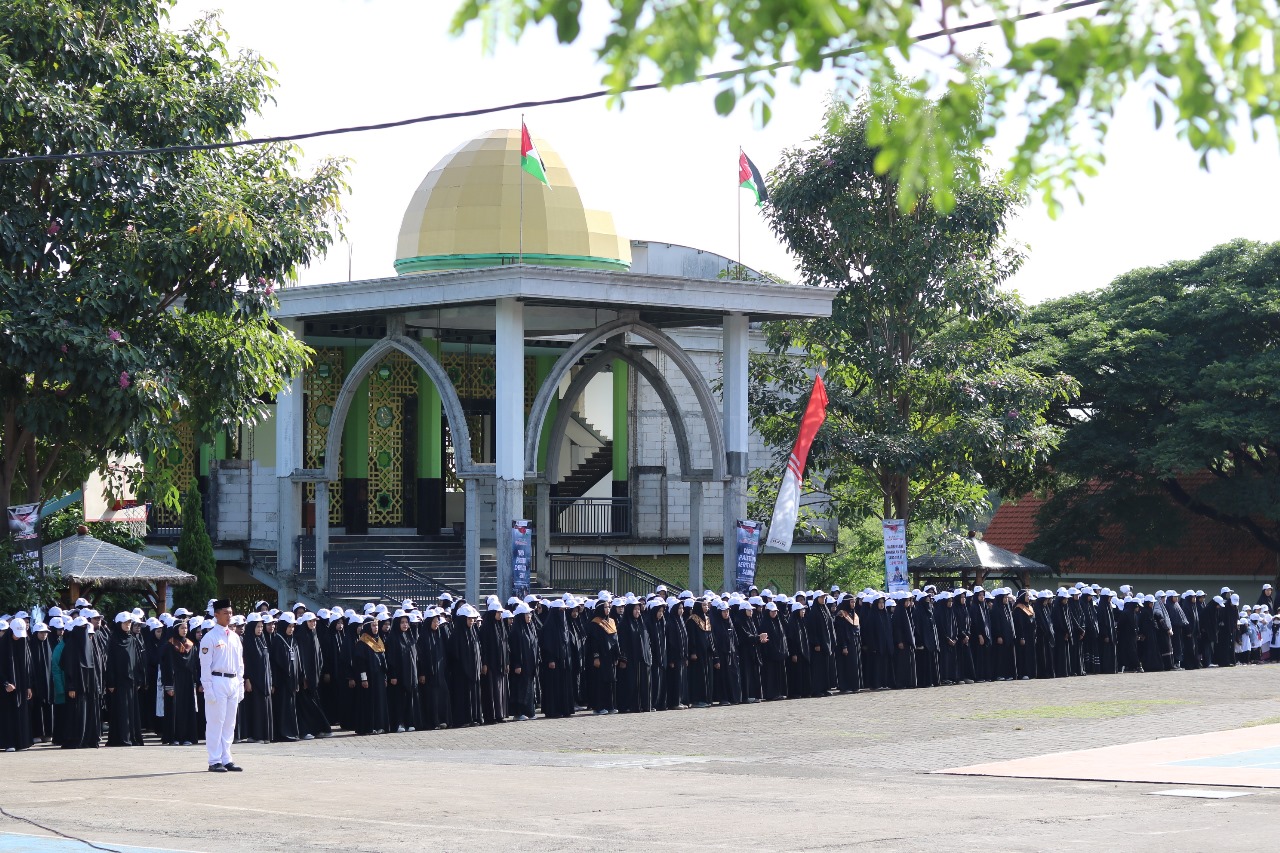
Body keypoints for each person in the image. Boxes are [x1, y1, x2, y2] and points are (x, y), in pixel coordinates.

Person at [199, 599, 244, 772]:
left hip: (232, 681)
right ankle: (214, 759)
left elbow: (240, 664)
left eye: (231, 613)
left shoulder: (234, 637)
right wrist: (208, 688)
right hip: (217, 680)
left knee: (229, 723)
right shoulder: (209, 637)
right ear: (216, 615)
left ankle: (227, 757)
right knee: (215, 722)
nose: (229, 616)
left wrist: (240, 684)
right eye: (225, 613)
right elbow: (205, 666)